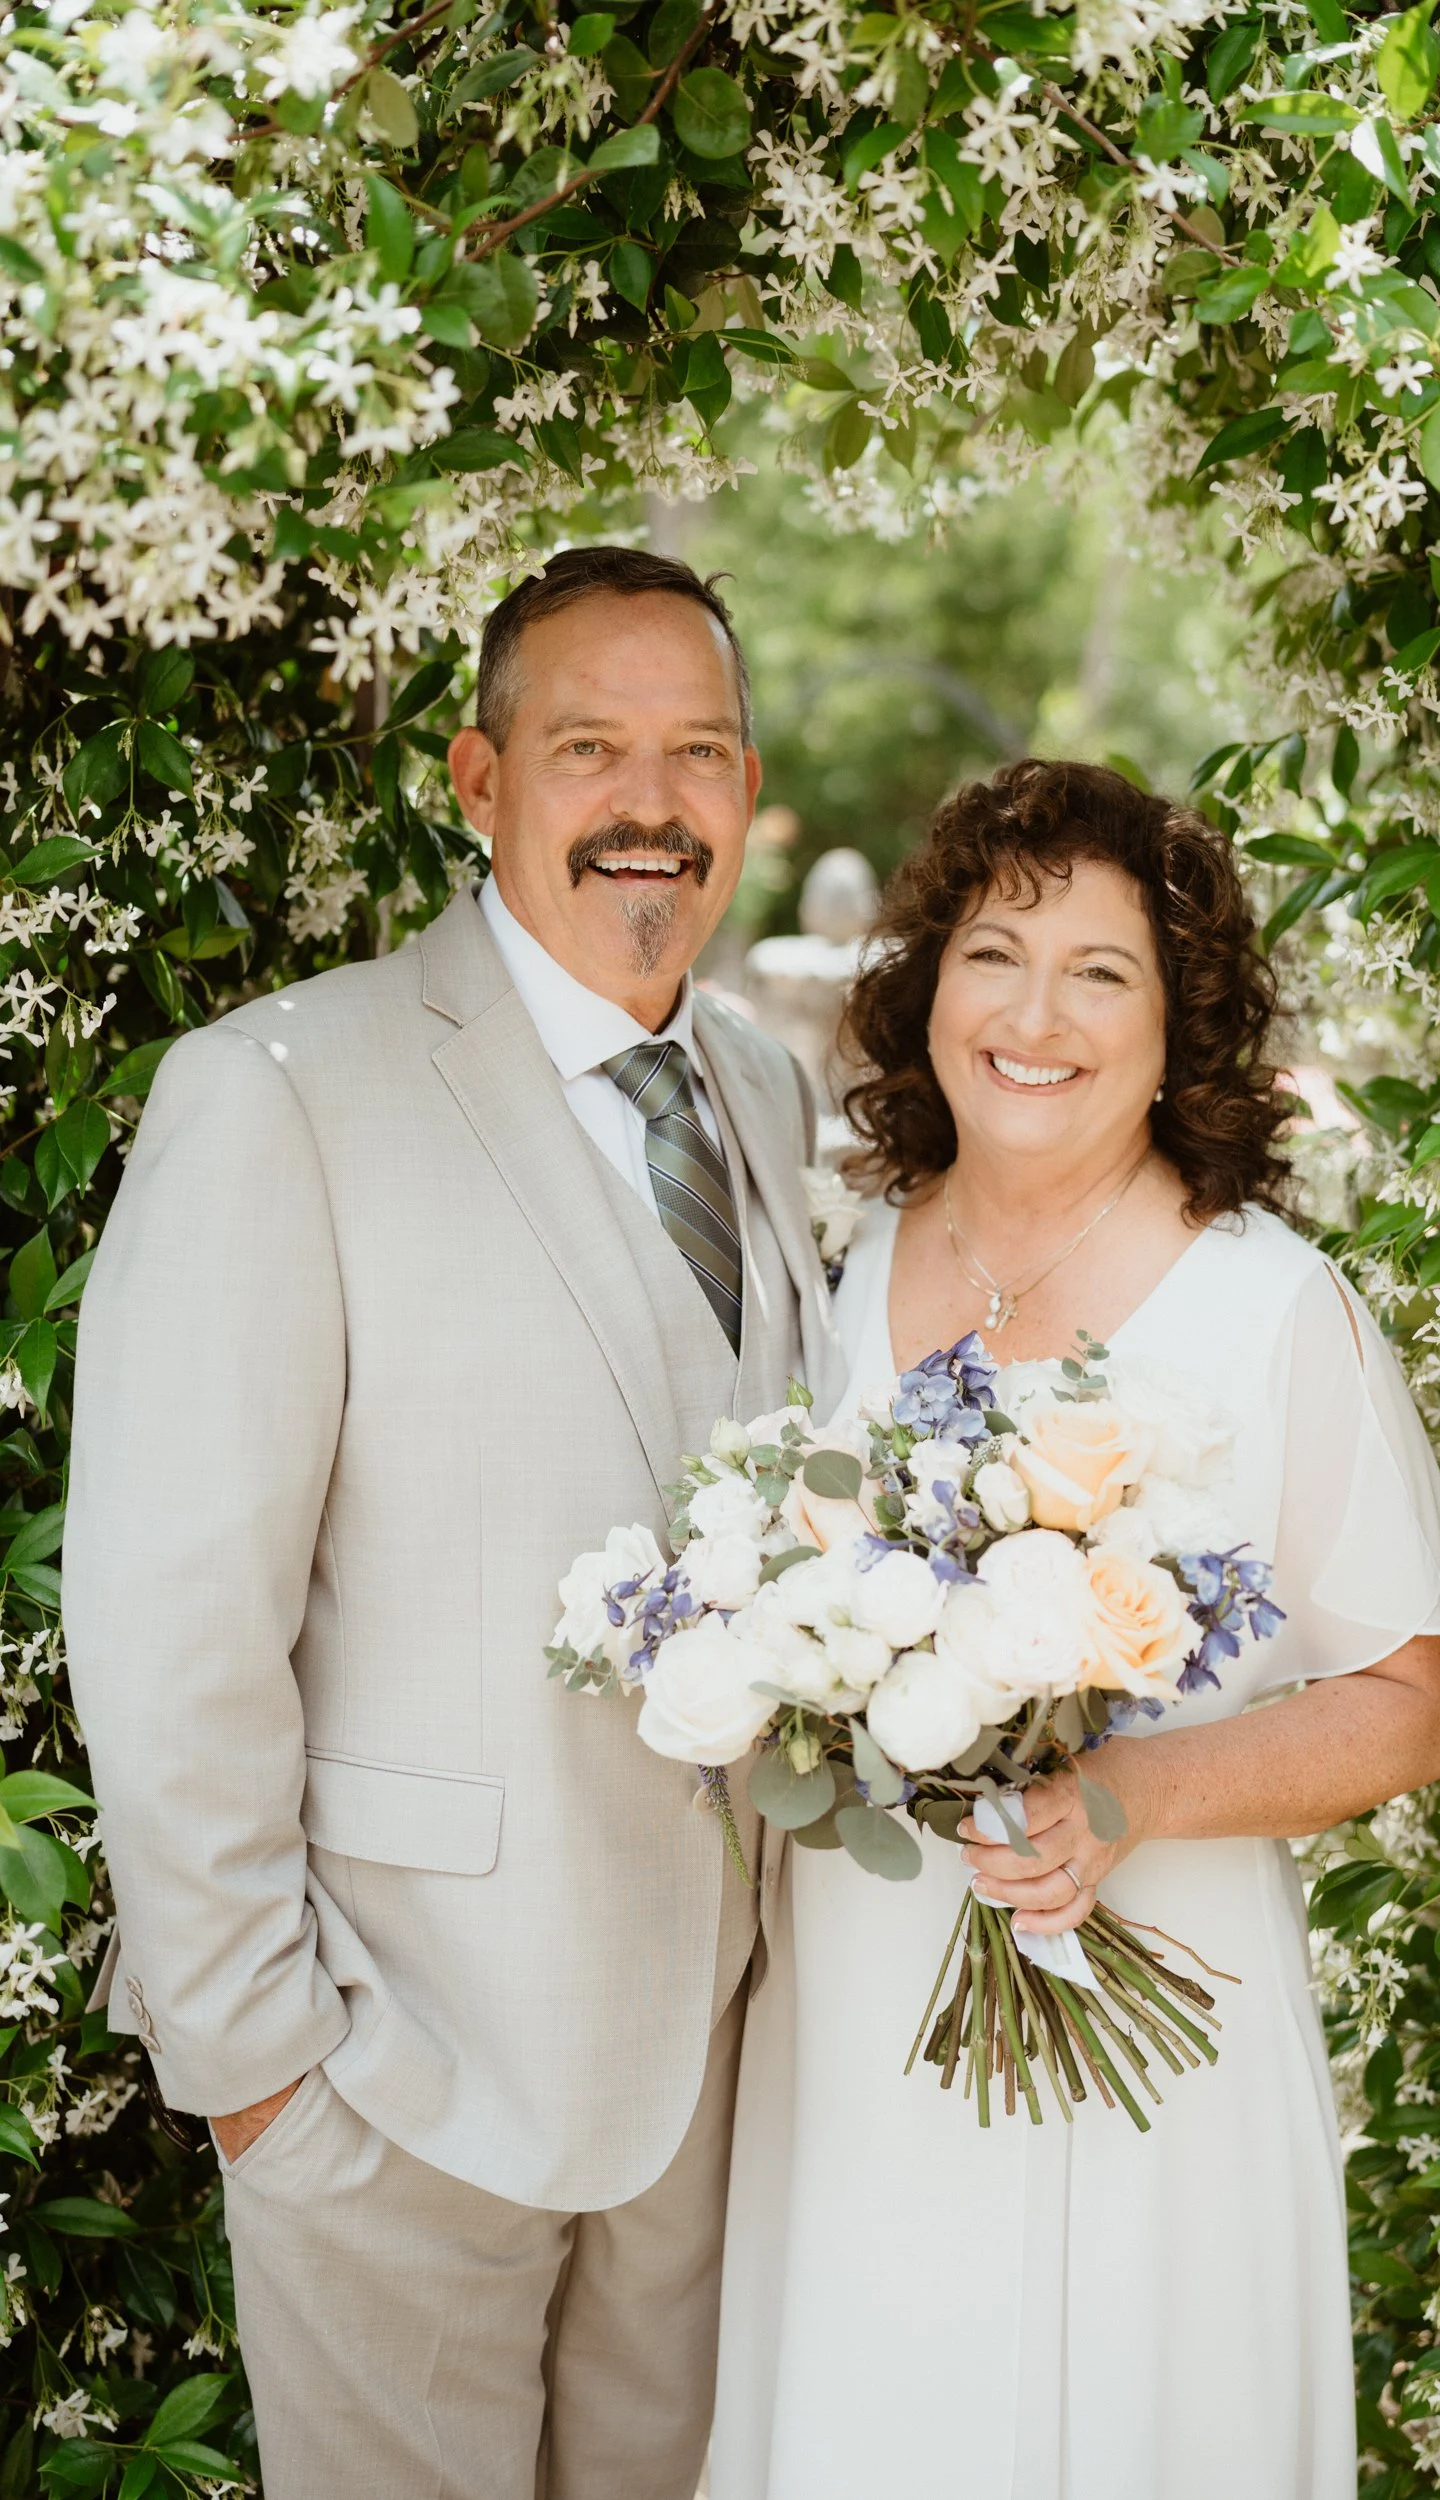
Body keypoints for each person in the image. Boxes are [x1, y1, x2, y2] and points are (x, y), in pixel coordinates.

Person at [63, 547, 836, 2500]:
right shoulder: (276, 1092)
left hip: (715, 2082)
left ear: (746, 794)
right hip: (396, 2077)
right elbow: (173, 1618)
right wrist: (262, 2074)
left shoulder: (761, 1087)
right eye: (590, 747)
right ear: (481, 781)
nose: (649, 804)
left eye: (697, 753)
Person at [710, 758, 1440, 2500]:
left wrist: (1118, 1803)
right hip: (861, 2010)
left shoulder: (1272, 1305)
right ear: (924, 991)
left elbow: (1410, 1706)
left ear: (1178, 1026)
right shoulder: (851, 1266)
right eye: (992, 953)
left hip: (1160, 2035)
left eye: (1101, 972)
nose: (1032, 1013)